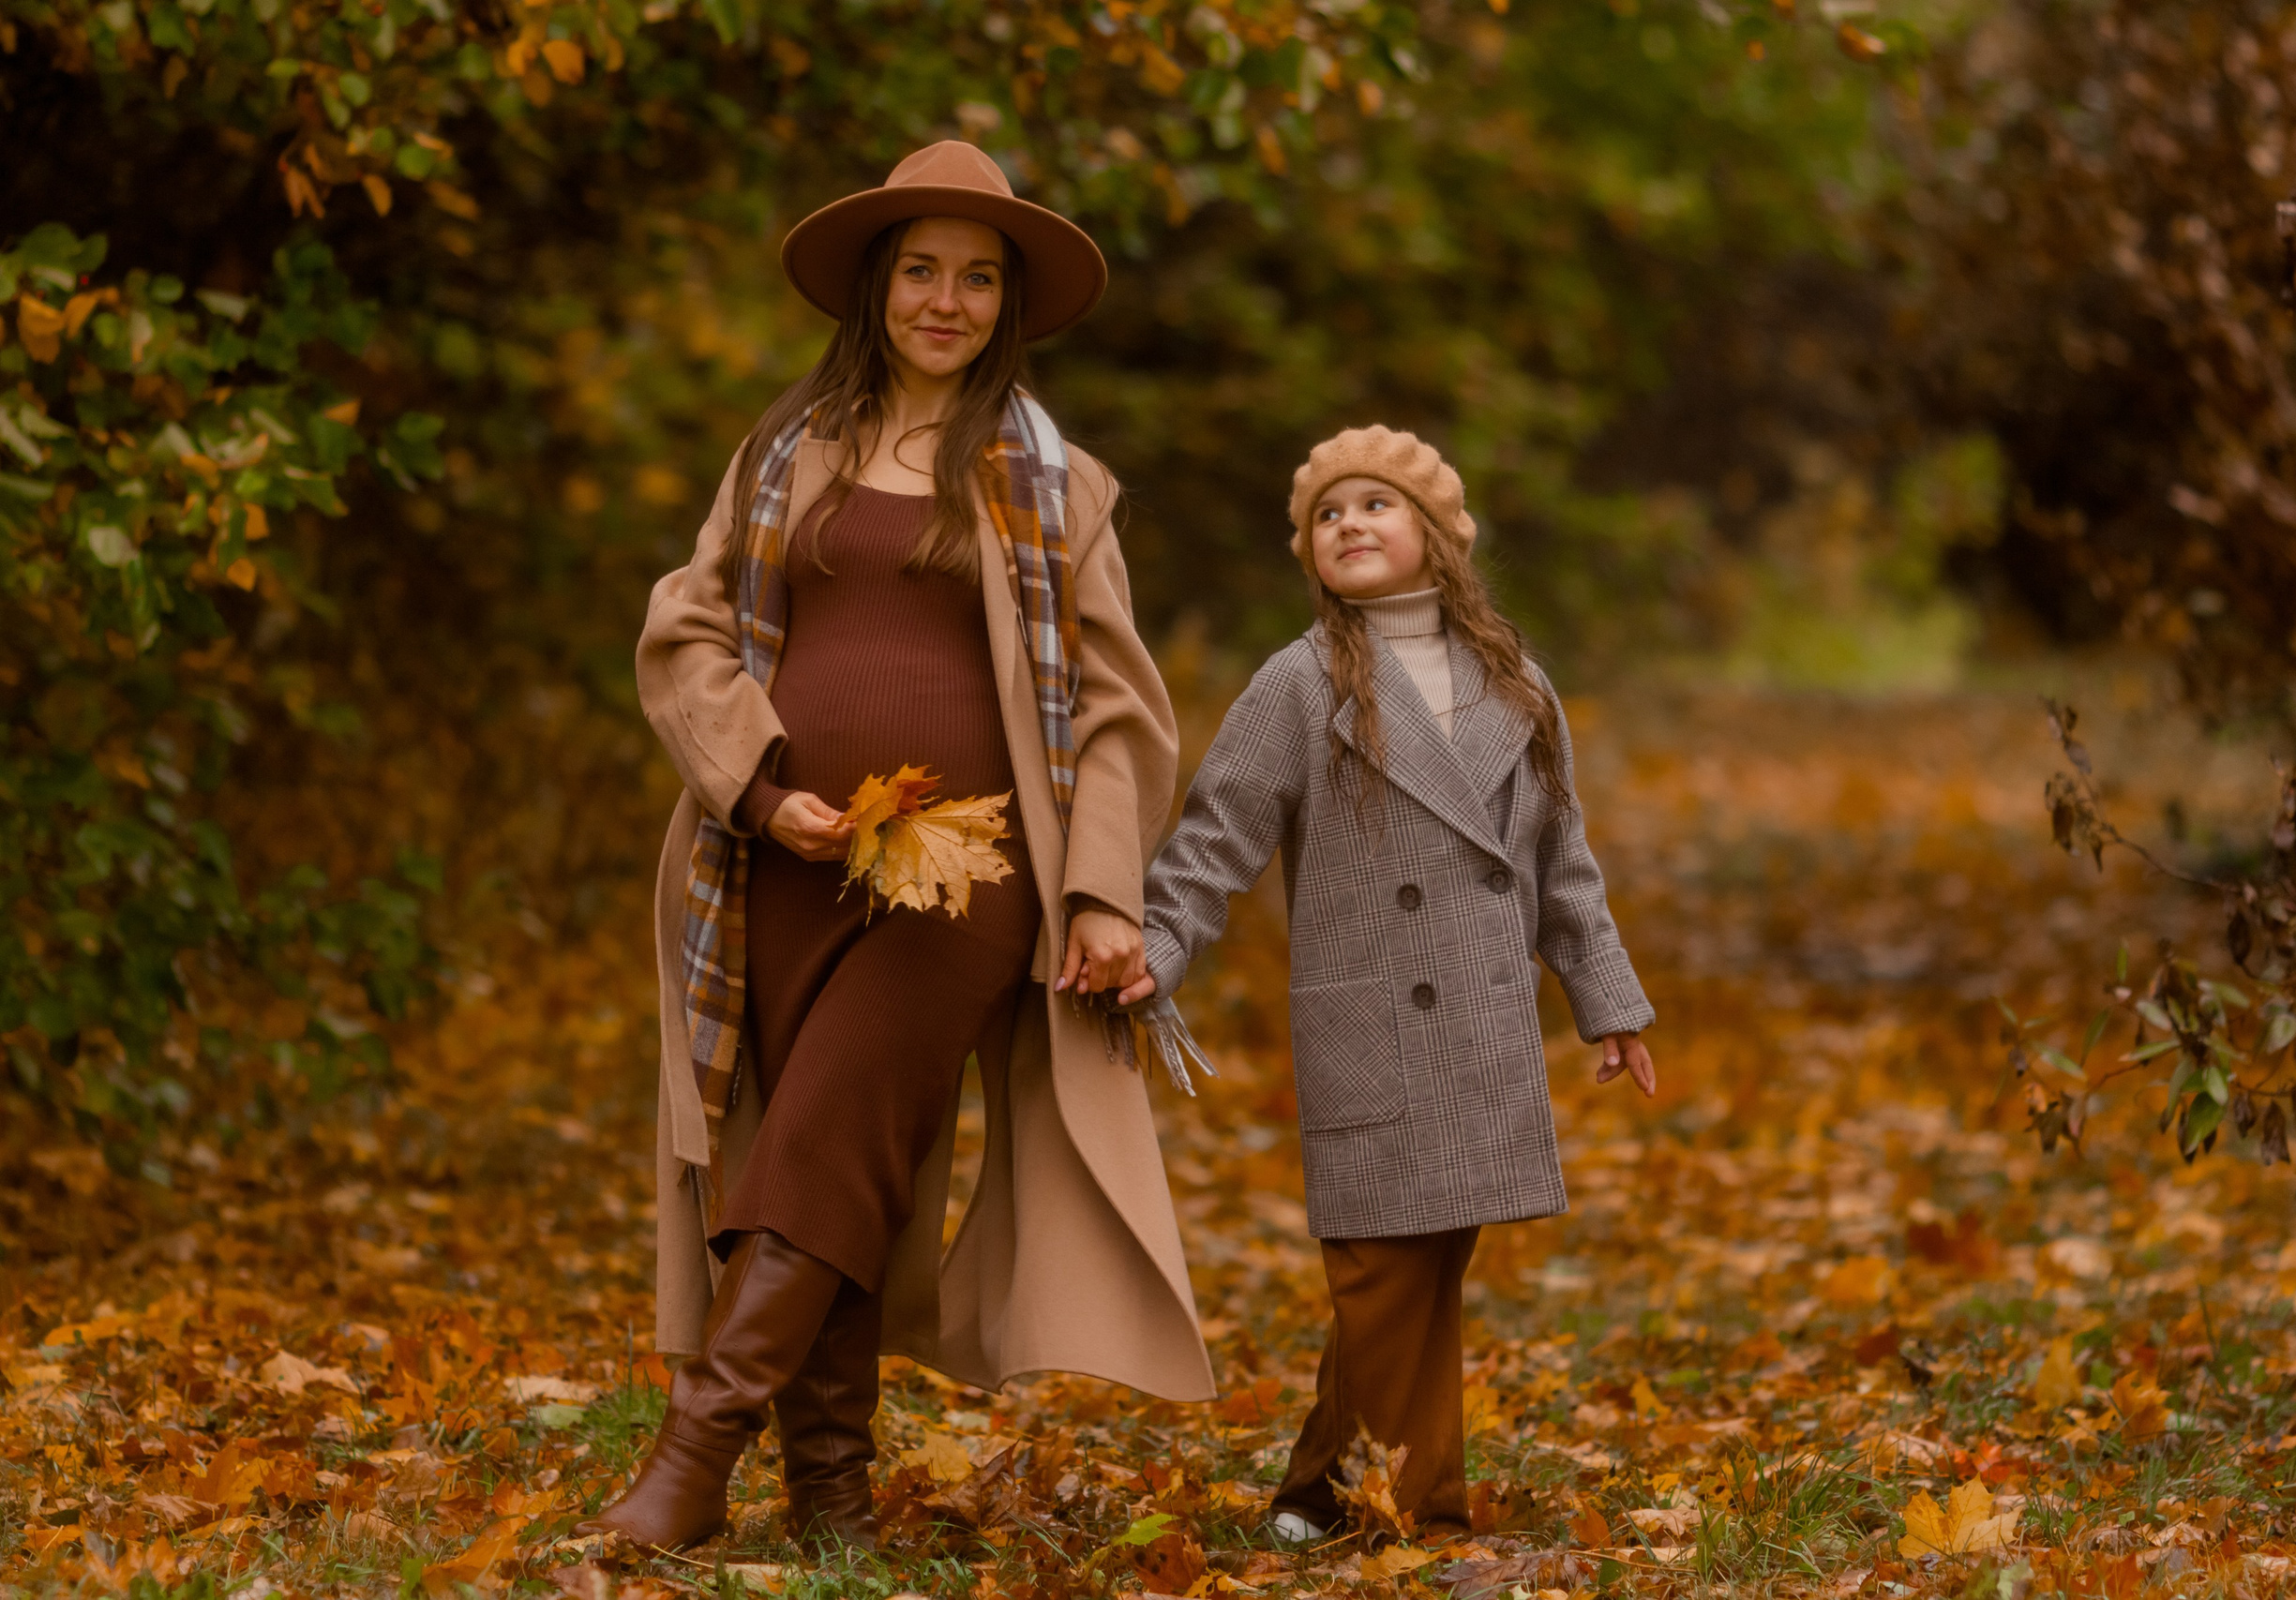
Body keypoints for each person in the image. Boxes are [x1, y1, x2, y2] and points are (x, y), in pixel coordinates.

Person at [591, 142, 1212, 1555]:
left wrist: (1105, 886)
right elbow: (687, 628)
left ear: (1007, 305)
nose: (947, 299)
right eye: (923, 270)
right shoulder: (781, 453)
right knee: (835, 1152)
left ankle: (694, 1455)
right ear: (878, 285)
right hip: (790, 857)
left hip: (971, 870)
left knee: (830, 1131)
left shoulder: (1057, 484)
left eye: (978, 278)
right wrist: (757, 787)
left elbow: (1117, 707)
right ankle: (828, 1501)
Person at [1118, 426, 1659, 1542]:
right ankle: (1424, 1514)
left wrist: (1607, 998)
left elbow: (1563, 861)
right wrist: (1154, 948)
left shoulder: (1517, 684)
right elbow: (1216, 836)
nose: (1349, 524)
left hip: (1478, 1019)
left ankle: (1317, 1489)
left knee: (1420, 1263)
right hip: (1372, 1017)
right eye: (1327, 514)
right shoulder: (1296, 686)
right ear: (1309, 551)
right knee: (1379, 1263)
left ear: (1438, 537)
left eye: (1377, 505)